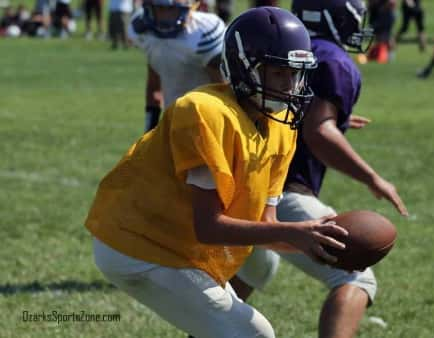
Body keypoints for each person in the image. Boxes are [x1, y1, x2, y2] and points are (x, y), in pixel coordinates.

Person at [86, 7, 349, 338]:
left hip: (177, 240)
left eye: (296, 73)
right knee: (254, 334)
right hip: (136, 243)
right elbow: (209, 227)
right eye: (278, 72)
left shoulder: (283, 128)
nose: (291, 84)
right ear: (245, 67)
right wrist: (296, 231)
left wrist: (316, 243)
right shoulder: (204, 113)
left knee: (262, 266)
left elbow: (266, 225)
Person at [229, 1, 409, 338]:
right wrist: (373, 178)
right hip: (280, 192)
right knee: (356, 276)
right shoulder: (334, 59)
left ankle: (206, 327)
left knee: (257, 268)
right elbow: (318, 131)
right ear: (336, 17)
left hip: (242, 188)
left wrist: (330, 117)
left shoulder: (282, 49)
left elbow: (288, 111)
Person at [128, 0, 226, 132]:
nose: (164, 16)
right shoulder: (146, 34)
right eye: (160, 8)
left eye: (171, 9)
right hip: (173, 123)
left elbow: (225, 93)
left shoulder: (201, 33)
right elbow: (154, 88)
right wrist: (149, 132)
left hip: (206, 124)